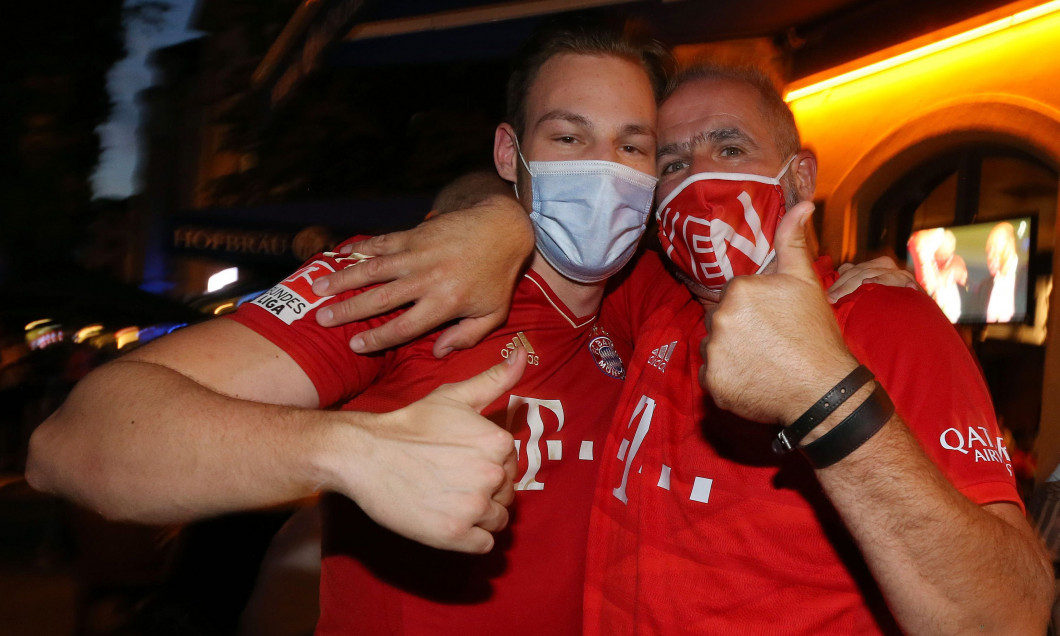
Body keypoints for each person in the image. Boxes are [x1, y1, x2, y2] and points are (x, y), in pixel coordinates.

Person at [315, 64, 1053, 633]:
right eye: (670, 162)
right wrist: (499, 222)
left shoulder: (884, 321)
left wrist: (824, 390)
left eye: (729, 146)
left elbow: (1011, 614)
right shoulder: (652, 301)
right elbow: (531, 215)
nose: (700, 177)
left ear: (799, 176)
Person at [28, 23, 670, 635]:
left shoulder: (646, 296)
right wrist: (352, 451)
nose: (604, 170)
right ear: (511, 151)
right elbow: (71, 446)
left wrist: (495, 214)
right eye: (568, 138)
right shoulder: (405, 277)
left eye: (631, 146)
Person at [976, 220, 1027, 323]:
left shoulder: (1026, 275)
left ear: (1010, 242)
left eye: (994, 247)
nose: (990, 256)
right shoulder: (984, 287)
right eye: (988, 251)